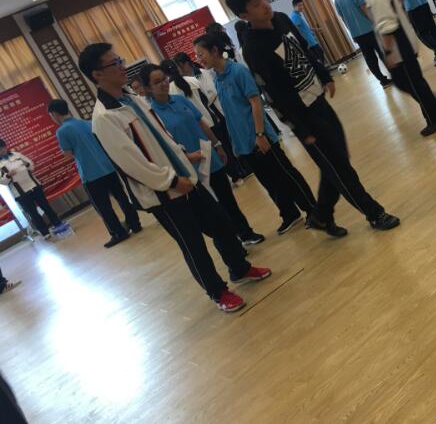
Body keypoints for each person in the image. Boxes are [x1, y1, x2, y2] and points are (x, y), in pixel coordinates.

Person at [78, 43, 270, 312]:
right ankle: (218, 292)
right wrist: (171, 181)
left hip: (185, 177)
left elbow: (160, 135)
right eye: (115, 63)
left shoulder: (131, 98)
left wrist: (183, 156)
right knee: (193, 244)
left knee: (222, 224)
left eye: (120, 60)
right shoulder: (104, 118)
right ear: (97, 74)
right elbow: (132, 163)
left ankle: (239, 268)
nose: (122, 66)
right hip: (164, 194)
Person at [222, 0, 401, 235]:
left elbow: (304, 50)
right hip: (302, 116)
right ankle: (374, 213)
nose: (264, 5)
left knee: (337, 161)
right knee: (340, 167)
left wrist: (324, 75)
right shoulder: (253, 48)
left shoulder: (282, 19)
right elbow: (276, 93)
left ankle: (321, 216)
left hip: (318, 100)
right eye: (255, 4)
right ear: (244, 15)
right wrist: (302, 128)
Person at [192, 35, 316, 235]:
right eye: (197, 55)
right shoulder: (217, 78)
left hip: (260, 137)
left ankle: (312, 209)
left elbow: (255, 102)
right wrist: (235, 143)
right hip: (243, 143)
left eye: (201, 54)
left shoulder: (238, 71)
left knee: (285, 175)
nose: (199, 59)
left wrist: (260, 134)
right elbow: (231, 113)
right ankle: (289, 214)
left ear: (214, 50)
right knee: (269, 182)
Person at [140, 65, 265, 245]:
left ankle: (245, 233)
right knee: (212, 211)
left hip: (209, 158)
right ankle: (231, 244)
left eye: (164, 78)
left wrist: (218, 145)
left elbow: (201, 124)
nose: (164, 83)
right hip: (189, 169)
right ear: (148, 88)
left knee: (228, 200)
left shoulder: (180, 100)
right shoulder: (152, 115)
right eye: (157, 82)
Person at [346, 0, 436, 137]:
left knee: (410, 82)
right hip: (399, 43)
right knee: (409, 81)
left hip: (399, 44)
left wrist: (388, 53)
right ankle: (435, 106)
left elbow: (388, 25)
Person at [48, 99, 141, 248]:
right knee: (122, 197)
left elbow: (68, 155)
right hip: (108, 167)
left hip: (90, 174)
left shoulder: (62, 131)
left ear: (54, 114)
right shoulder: (87, 123)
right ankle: (135, 224)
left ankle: (118, 233)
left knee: (103, 207)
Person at [173, 51, 250, 185]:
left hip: (216, 111)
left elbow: (212, 91)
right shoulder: (183, 82)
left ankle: (244, 167)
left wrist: (207, 102)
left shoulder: (202, 73)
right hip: (207, 116)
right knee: (222, 144)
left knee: (229, 140)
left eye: (180, 65)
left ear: (186, 63)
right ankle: (237, 172)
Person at [332, 0, 392, 87]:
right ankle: (395, 74)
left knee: (369, 58)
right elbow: (364, 8)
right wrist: (375, 22)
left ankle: (382, 80)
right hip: (368, 29)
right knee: (382, 52)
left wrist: (352, 32)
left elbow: (343, 19)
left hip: (356, 34)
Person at [0, 139, 68, 239]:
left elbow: (31, 165)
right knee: (33, 213)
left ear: (5, 146)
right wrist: (8, 175)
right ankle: (45, 233)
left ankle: (58, 224)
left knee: (46, 206)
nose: (2, 151)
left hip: (34, 186)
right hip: (20, 193)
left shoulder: (16, 155)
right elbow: (2, 181)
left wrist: (26, 165)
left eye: (2, 148)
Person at [290, 0, 327, 65]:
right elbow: (296, 29)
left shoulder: (297, 15)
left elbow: (305, 28)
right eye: (299, 5)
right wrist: (302, 41)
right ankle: (323, 69)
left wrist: (316, 29)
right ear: (294, 6)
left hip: (310, 40)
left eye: (302, 5)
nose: (301, 7)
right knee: (318, 56)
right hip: (308, 42)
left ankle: (323, 68)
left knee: (319, 55)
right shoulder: (295, 16)